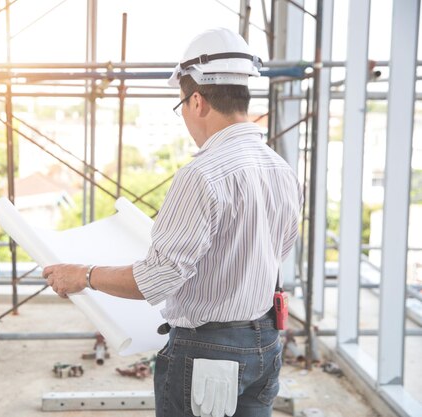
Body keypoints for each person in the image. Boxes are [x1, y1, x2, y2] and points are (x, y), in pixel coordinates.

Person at [42, 28, 302, 417]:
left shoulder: (202, 175)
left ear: (196, 100)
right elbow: (278, 250)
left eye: (181, 104)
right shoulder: (280, 168)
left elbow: (156, 279)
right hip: (264, 343)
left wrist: (84, 275)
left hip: (207, 352)